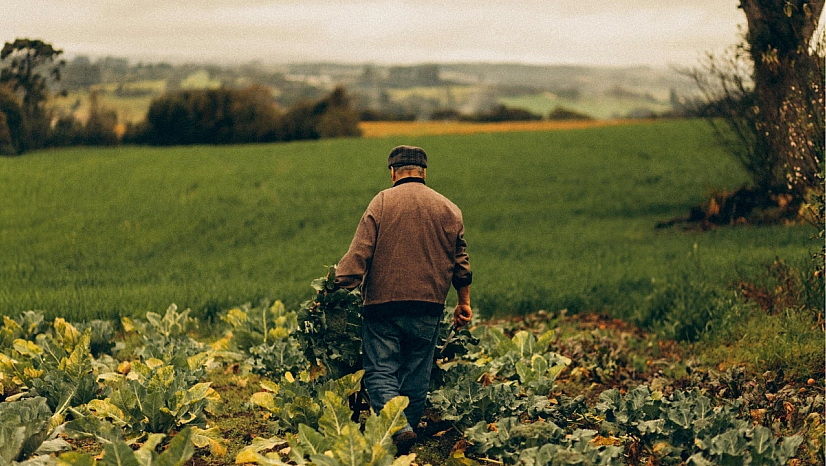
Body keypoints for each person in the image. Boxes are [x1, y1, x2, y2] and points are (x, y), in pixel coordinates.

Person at [334, 145, 472, 451]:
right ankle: (404, 437)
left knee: (381, 369)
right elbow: (461, 264)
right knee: (416, 372)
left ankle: (398, 428)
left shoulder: (382, 202)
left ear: (393, 172)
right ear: (424, 172)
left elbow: (358, 255)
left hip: (383, 305)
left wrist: (333, 289)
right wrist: (464, 302)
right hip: (429, 306)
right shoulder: (449, 208)